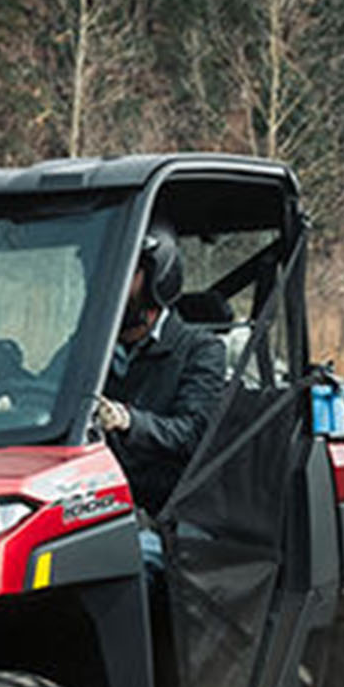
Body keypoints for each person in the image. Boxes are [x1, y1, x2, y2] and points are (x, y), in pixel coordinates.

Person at [94, 219, 226, 517]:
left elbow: (193, 433)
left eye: (125, 274)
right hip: (100, 499)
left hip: (168, 515)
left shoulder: (200, 350)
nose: (109, 287)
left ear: (158, 277)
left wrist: (128, 422)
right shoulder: (93, 346)